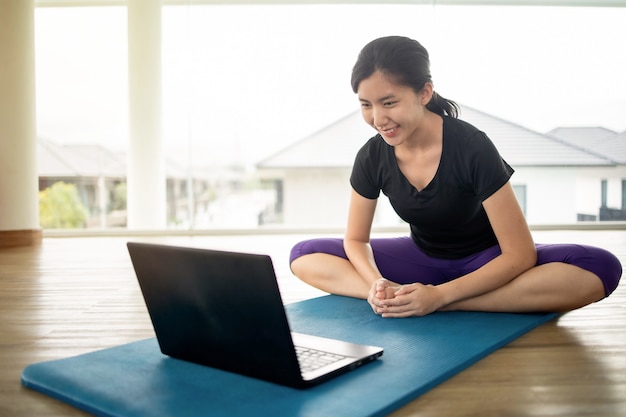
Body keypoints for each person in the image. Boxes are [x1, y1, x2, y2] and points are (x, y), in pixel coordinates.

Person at [289, 36, 622, 318]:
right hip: (421, 260)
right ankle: (399, 299)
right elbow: (356, 240)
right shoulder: (372, 154)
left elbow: (520, 254)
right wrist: (376, 283)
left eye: (389, 102)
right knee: (305, 254)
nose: (377, 118)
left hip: (488, 263)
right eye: (366, 105)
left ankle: (448, 302)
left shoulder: (471, 146)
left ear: (424, 93)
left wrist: (440, 297)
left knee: (600, 267)